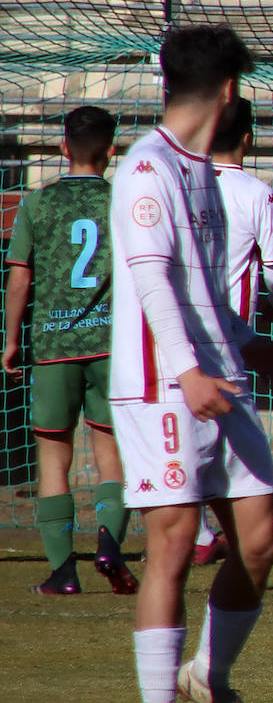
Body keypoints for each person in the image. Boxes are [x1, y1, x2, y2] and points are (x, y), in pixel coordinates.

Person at [108, 23, 273, 703]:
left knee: (259, 539)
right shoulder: (146, 168)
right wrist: (188, 369)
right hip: (164, 385)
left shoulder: (202, 174)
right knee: (175, 537)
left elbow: (202, 288)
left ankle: (205, 677)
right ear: (227, 89)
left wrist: (250, 340)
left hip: (219, 374)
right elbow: (153, 279)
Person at [3, 105, 139, 595]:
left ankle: (63, 570)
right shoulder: (123, 200)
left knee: (53, 457)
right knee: (111, 454)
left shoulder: (37, 203)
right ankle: (108, 544)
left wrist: (11, 340)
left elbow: (21, 276)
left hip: (54, 345)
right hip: (111, 347)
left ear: (63, 148)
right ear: (112, 152)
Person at [191, 98, 273, 567]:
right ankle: (225, 533)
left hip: (186, 325)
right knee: (235, 433)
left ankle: (205, 533)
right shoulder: (257, 192)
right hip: (233, 332)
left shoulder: (189, 184)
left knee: (199, 425)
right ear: (248, 137)